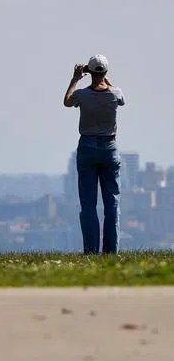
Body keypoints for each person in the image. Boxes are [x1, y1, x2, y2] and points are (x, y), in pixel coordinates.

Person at [64, 54, 126, 254]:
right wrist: (104, 76)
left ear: (88, 72)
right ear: (106, 72)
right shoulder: (115, 94)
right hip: (110, 148)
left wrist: (75, 78)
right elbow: (120, 97)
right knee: (112, 202)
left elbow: (67, 101)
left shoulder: (82, 95)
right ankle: (111, 252)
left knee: (88, 204)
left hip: (87, 146)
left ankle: (91, 250)